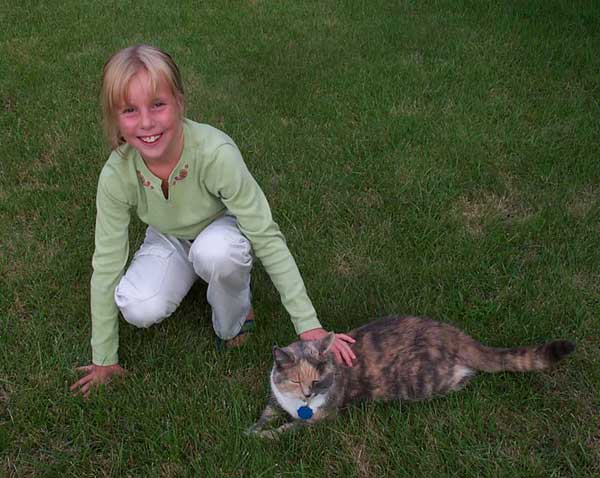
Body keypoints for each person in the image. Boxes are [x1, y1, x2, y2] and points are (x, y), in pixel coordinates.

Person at [71, 44, 356, 398]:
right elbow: (107, 262)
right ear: (116, 118)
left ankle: (237, 317)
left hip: (220, 230)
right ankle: (191, 270)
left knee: (219, 254)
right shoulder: (117, 173)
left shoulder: (215, 152)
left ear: (179, 101)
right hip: (168, 237)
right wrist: (104, 358)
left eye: (157, 104)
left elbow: (265, 235)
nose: (146, 122)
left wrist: (308, 326)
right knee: (136, 306)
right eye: (130, 110)